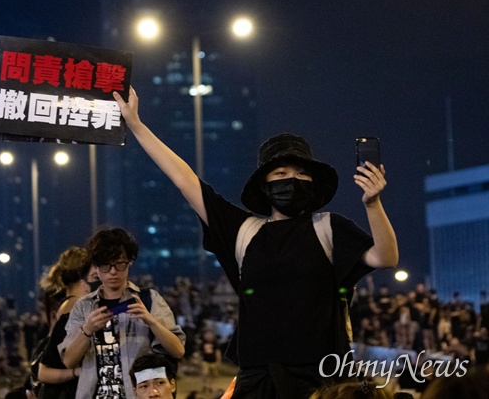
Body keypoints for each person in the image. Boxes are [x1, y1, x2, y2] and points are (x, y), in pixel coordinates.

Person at [113, 87, 399, 399]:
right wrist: (137, 125)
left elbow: (385, 257)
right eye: (282, 172)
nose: (293, 179)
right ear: (265, 185)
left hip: (321, 380)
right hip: (258, 379)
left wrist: (373, 205)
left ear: (313, 183)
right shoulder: (243, 230)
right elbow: (185, 180)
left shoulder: (329, 227)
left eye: (302, 173)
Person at [59, 228, 186, 399]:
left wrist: (151, 322)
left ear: (129, 263)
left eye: (120, 264)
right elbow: (68, 361)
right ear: (96, 267)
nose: (113, 271)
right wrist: (87, 330)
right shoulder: (83, 306)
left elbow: (178, 350)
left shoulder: (149, 299)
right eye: (106, 265)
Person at [36, 247, 96, 399]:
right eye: (95, 277)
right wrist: (78, 372)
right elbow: (45, 371)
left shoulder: (67, 306)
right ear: (84, 281)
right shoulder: (76, 309)